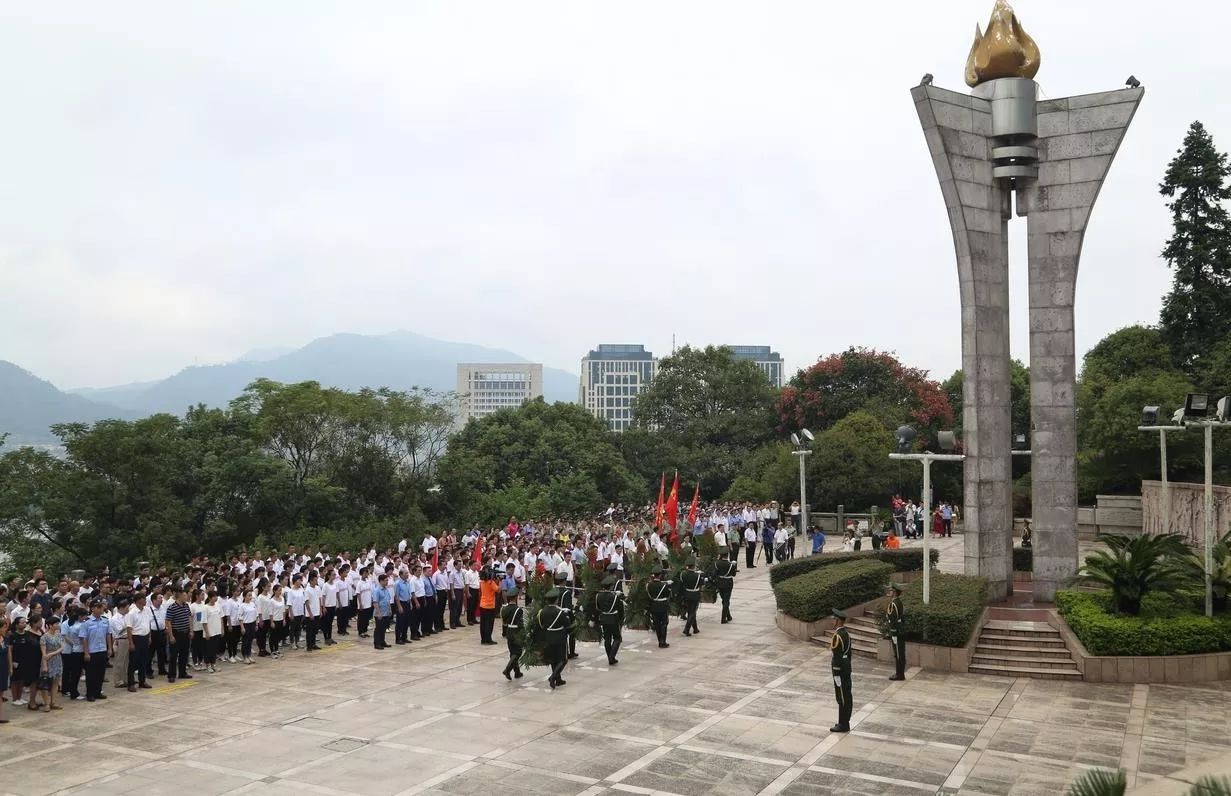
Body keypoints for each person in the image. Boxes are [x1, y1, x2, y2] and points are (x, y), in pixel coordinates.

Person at [78, 601, 112, 701]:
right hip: (92, 651)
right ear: (93, 609)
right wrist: (86, 652)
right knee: (91, 674)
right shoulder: (86, 622)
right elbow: (83, 638)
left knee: (101, 673)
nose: (101, 610)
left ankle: (98, 692)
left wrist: (110, 648)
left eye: (102, 608)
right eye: (99, 608)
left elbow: (108, 635)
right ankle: (90, 694)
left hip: (102, 650)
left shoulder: (105, 620)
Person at [537, 588, 571, 690]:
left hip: (548, 637)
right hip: (559, 637)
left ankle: (558, 679)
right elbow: (567, 625)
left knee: (553, 659)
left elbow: (541, 625)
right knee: (563, 660)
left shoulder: (542, 612)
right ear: (556, 600)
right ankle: (553, 677)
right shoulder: (560, 612)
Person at [830, 609, 852, 733]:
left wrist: (837, 673)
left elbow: (837, 656)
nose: (831, 622)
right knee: (847, 694)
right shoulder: (846, 634)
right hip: (846, 666)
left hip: (840, 669)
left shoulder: (837, 636)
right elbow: (849, 654)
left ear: (838, 621)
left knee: (842, 697)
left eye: (833, 619)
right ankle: (844, 722)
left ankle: (843, 724)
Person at [595, 575, 624, 665]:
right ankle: (611, 657)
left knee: (607, 639)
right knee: (617, 638)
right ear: (611, 586)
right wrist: (621, 619)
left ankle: (610, 657)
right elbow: (620, 609)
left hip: (604, 619)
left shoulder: (598, 595)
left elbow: (598, 608)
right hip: (613, 619)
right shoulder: (615, 596)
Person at [39, 614, 65, 710]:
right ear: (50, 625)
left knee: (55, 682)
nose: (58, 625)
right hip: (47, 662)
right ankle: (46, 703)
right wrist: (45, 665)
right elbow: (44, 654)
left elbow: (62, 647)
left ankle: (53, 702)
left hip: (57, 660)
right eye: (56, 624)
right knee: (45, 683)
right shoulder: (44, 637)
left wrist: (52, 653)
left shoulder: (58, 635)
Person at [499, 588, 524, 680]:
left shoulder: (504, 609)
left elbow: (504, 623)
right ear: (515, 597)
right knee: (518, 652)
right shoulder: (518, 610)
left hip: (509, 631)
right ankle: (507, 670)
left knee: (512, 652)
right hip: (516, 632)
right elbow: (521, 624)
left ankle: (517, 672)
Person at [646, 565, 672, 648]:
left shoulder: (649, 585)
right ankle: (663, 641)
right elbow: (668, 595)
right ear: (660, 575)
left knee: (657, 624)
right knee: (664, 623)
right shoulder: (664, 585)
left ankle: (659, 640)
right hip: (663, 606)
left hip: (654, 606)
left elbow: (649, 596)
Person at [885, 583, 906, 681]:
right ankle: (900, 673)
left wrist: (893, 633)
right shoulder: (899, 602)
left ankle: (899, 674)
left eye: (891, 591)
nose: (890, 592)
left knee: (898, 654)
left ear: (895, 593)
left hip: (896, 632)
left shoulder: (893, 604)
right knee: (900, 653)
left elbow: (893, 619)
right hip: (900, 630)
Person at [679, 557, 704, 637]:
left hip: (686, 594)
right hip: (695, 595)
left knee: (690, 612)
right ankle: (686, 629)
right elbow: (701, 584)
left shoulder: (683, 574)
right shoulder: (697, 575)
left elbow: (681, 585)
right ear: (693, 566)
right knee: (692, 612)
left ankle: (695, 629)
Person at [372, 574, 393, 650]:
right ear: (381, 581)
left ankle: (382, 641)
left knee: (383, 628)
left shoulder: (386, 589)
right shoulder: (376, 590)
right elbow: (375, 602)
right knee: (378, 629)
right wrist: (379, 612)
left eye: (387, 580)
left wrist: (390, 609)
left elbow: (388, 600)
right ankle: (377, 643)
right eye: (386, 580)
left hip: (386, 612)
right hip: (379, 613)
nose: (387, 582)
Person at [715, 555, 736, 624]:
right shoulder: (730, 564)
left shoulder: (717, 563)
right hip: (728, 583)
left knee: (724, 600)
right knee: (726, 601)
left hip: (720, 583)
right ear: (727, 556)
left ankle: (728, 616)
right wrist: (734, 566)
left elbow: (715, 573)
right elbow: (734, 574)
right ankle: (723, 619)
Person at [0, 616, 8, 722]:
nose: (5, 630)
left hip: (3, 668)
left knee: (1, 693)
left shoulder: (4, 639)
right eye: (3, 628)